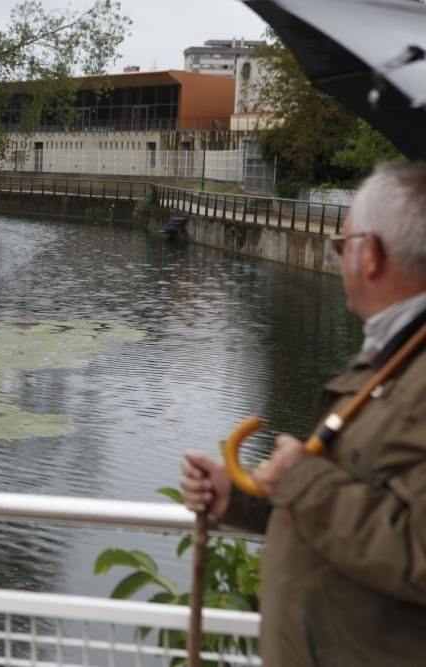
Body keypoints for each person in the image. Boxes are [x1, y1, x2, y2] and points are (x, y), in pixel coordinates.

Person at [180, 161, 426, 666]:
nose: (340, 258)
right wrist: (239, 498)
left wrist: (304, 480)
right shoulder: (393, 356)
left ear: (371, 256)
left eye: (342, 244)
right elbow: (355, 503)